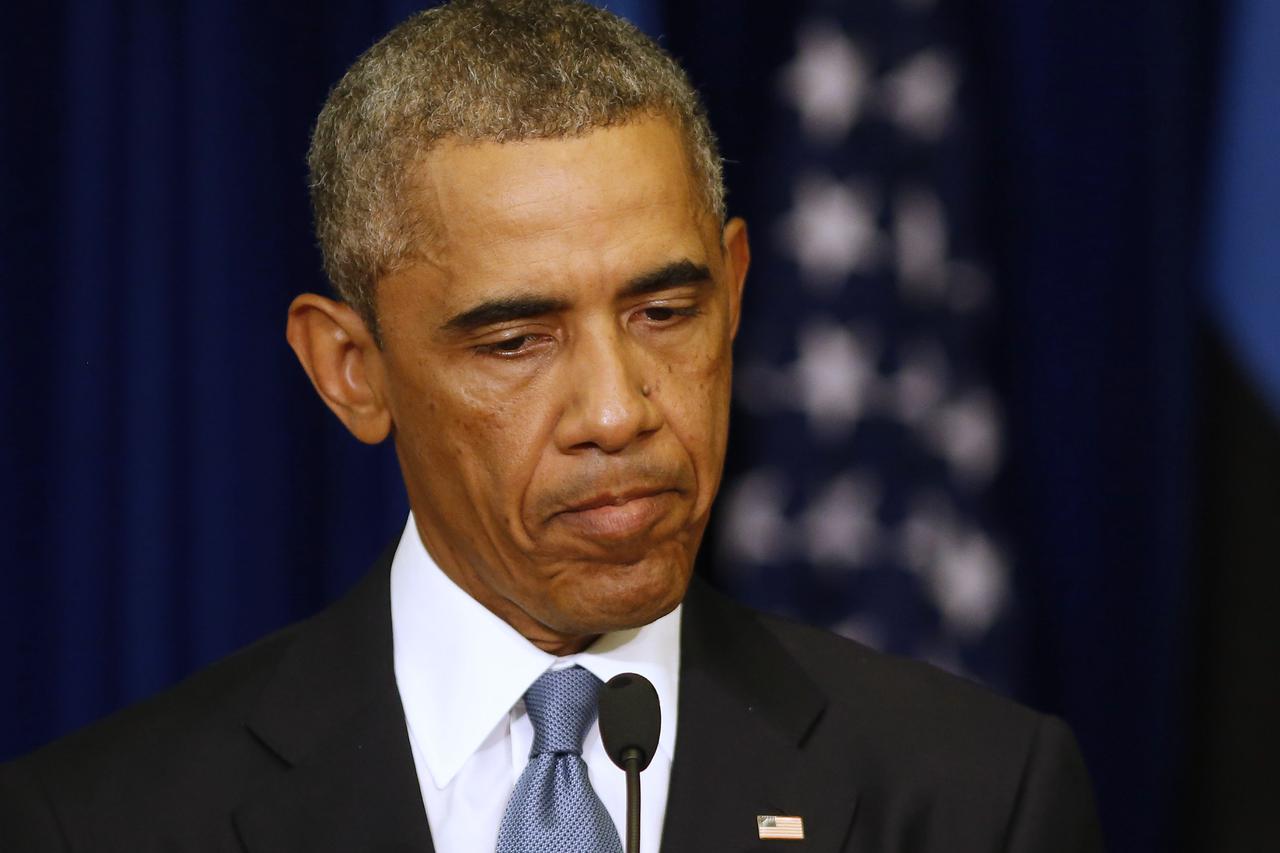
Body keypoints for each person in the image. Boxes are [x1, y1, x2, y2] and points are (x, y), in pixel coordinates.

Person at [0, 1, 1104, 850]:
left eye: (664, 313)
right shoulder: (99, 820)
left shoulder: (972, 798)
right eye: (515, 341)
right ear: (351, 370)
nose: (619, 411)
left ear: (734, 285)